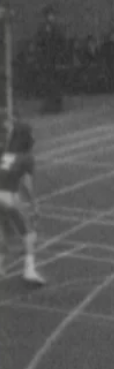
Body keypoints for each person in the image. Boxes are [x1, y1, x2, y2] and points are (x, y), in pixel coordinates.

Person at [0, 120, 45, 284]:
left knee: (4, 231)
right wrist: (34, 204)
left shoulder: (5, 154)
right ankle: (29, 270)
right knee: (29, 233)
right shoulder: (27, 158)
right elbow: (26, 184)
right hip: (9, 197)